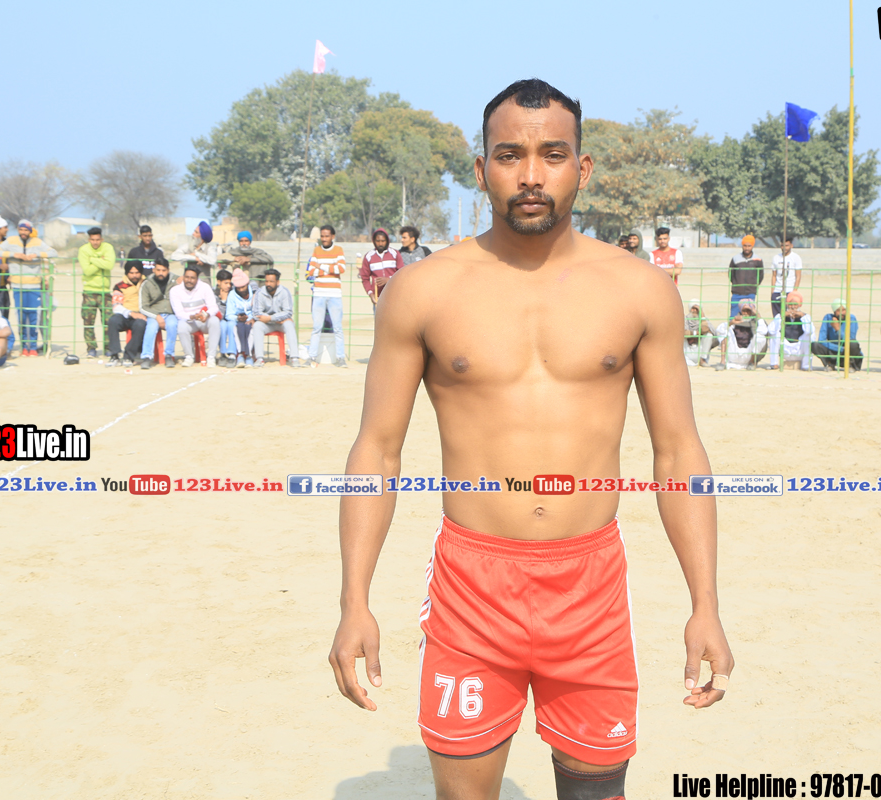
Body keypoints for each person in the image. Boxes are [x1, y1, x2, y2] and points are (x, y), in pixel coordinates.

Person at [328, 79, 731, 800]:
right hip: (472, 586)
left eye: (553, 154)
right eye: (510, 155)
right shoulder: (422, 291)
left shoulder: (640, 291)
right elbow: (376, 450)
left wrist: (706, 601)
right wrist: (352, 599)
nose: (532, 175)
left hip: (591, 586)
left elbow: (678, 452)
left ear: (584, 167)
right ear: (481, 169)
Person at [0, 219, 56, 356]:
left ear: (30, 231)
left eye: (26, 230)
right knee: (21, 316)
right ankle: (23, 346)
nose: (23, 232)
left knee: (33, 317)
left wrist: (36, 255)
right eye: (21, 229)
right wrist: (13, 254)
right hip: (17, 285)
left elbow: (53, 253)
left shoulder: (37, 242)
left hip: (34, 285)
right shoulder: (11, 241)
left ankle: (33, 346)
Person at [306, 225, 348, 367]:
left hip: (334, 294)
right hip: (319, 293)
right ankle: (311, 356)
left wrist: (321, 267)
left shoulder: (338, 250)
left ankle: (340, 357)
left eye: (327, 236)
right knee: (316, 327)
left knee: (338, 327)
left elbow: (341, 268)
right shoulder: (316, 250)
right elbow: (311, 271)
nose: (324, 239)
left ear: (332, 237)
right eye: (322, 236)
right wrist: (330, 269)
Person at [169, 264, 221, 367]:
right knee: (181, 326)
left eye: (192, 278)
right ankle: (189, 357)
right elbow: (179, 313)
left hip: (204, 320)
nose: (189, 280)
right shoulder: (175, 291)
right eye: (187, 277)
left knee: (215, 321)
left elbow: (213, 307)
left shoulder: (205, 287)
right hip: (189, 321)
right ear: (183, 277)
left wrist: (206, 315)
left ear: (197, 279)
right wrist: (193, 317)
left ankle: (211, 357)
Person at [78, 226, 116, 358]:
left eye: (98, 240)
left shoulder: (108, 247)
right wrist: (101, 261)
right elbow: (87, 271)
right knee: (88, 321)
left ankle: (108, 347)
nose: (95, 242)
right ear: (89, 240)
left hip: (105, 291)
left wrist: (92, 260)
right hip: (89, 290)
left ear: (102, 239)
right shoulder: (83, 250)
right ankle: (91, 348)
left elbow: (110, 265)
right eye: (93, 240)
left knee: (108, 322)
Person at [250, 267, 301, 368]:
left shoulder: (284, 292)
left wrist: (272, 318)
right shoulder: (260, 292)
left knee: (289, 324)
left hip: (280, 323)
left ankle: (294, 358)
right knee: (257, 326)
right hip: (267, 324)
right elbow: (256, 313)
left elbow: (288, 312)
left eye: (271, 281)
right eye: (267, 281)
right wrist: (271, 319)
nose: (268, 284)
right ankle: (259, 359)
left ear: (277, 282)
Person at [138, 257, 179, 369]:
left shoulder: (176, 282)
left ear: (168, 270)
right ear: (154, 270)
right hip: (154, 314)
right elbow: (143, 307)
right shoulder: (147, 283)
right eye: (158, 270)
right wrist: (156, 316)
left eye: (164, 270)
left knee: (172, 325)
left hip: (171, 313)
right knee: (151, 327)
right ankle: (147, 357)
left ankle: (169, 355)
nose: (161, 273)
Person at [106, 262, 148, 367]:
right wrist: (130, 313)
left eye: (137, 273)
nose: (134, 276)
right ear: (127, 273)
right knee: (113, 321)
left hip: (141, 315)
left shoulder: (147, 284)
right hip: (125, 314)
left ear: (141, 273)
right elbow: (116, 306)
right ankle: (114, 355)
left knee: (140, 325)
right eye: (131, 273)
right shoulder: (120, 286)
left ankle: (128, 356)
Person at [714, 299, 768, 370]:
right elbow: (720, 330)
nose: (746, 313)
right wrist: (731, 323)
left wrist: (758, 316)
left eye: (748, 311)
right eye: (744, 311)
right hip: (734, 353)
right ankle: (722, 362)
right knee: (725, 333)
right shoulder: (736, 320)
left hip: (748, 355)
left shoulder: (756, 322)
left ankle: (752, 363)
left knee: (760, 337)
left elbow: (764, 331)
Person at [812, 299, 863, 371]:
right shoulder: (828, 318)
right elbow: (821, 340)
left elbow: (850, 340)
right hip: (834, 351)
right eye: (838, 310)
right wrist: (840, 348)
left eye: (844, 310)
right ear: (834, 311)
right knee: (814, 345)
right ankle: (830, 364)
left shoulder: (851, 318)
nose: (842, 313)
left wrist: (838, 329)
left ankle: (850, 365)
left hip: (848, 353)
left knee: (853, 344)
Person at [359, 227, 404, 309]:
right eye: (378, 241)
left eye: (383, 241)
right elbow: (365, 278)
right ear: (374, 241)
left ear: (387, 241)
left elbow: (401, 274)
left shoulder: (395, 254)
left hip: (394, 296)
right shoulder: (368, 256)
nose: (380, 244)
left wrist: (389, 280)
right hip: (378, 298)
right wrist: (370, 294)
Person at [767, 291, 812, 370]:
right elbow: (771, 330)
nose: (793, 307)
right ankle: (774, 364)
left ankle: (806, 365)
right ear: (787, 305)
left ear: (799, 305)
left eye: (795, 304)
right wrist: (782, 316)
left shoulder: (806, 317)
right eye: (790, 304)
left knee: (809, 336)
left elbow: (809, 331)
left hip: (799, 350)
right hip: (785, 350)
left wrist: (802, 316)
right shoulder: (780, 315)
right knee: (775, 335)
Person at [227, 268, 255, 368]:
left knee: (250, 328)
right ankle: (240, 355)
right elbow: (228, 314)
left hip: (251, 320)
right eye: (238, 288)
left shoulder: (254, 293)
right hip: (238, 321)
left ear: (247, 284)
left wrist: (251, 318)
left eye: (243, 287)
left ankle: (249, 356)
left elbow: (258, 310)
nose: (241, 290)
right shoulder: (232, 295)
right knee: (237, 328)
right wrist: (237, 318)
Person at [769, 235, 802, 317]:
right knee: (777, 316)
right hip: (777, 291)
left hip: (789, 291)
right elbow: (774, 275)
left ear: (791, 245)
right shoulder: (776, 258)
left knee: (789, 315)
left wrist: (794, 291)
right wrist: (772, 291)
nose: (784, 248)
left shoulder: (796, 258)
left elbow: (798, 276)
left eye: (787, 245)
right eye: (782, 245)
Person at [728, 235, 764, 309]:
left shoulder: (758, 259)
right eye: (745, 246)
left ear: (752, 246)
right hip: (736, 293)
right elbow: (731, 274)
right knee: (734, 315)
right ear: (742, 246)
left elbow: (760, 275)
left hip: (750, 294)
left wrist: (754, 285)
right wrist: (737, 284)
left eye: (749, 246)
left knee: (749, 314)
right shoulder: (735, 258)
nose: (747, 248)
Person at [213, 268, 237, 367]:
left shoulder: (234, 291)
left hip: (232, 319)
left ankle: (232, 354)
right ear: (219, 282)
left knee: (232, 325)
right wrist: (223, 301)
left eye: (229, 283)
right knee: (222, 325)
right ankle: (222, 353)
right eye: (225, 283)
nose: (228, 286)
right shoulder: (213, 293)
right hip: (220, 319)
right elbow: (219, 314)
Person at [683, 297, 715, 366]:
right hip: (688, 347)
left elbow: (706, 330)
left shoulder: (704, 319)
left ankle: (702, 360)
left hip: (699, 347)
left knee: (709, 335)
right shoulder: (686, 319)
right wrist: (698, 333)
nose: (694, 311)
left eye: (697, 309)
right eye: (693, 308)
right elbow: (684, 333)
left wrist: (702, 315)